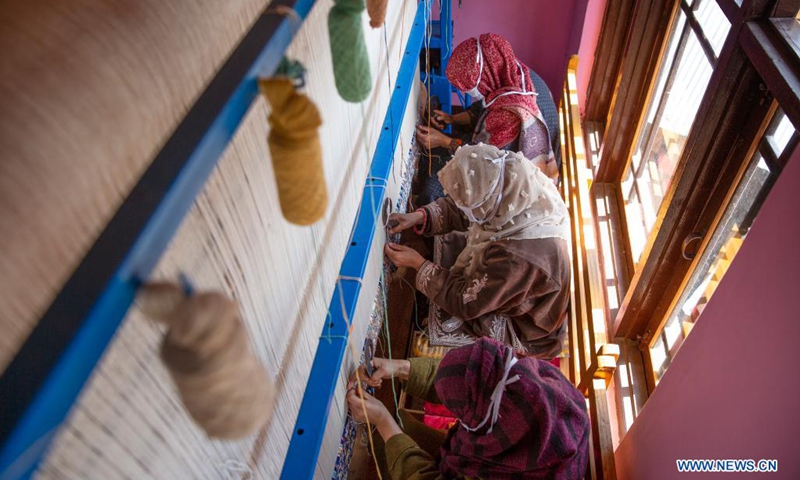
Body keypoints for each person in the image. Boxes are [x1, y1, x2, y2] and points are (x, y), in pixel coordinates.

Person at [385, 143, 570, 359]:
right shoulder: (512, 178)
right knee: (454, 240)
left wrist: (418, 264)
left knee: (459, 308)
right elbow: (471, 200)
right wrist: (419, 216)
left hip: (529, 326)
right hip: (522, 278)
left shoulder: (516, 258)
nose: (467, 209)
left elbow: (468, 303)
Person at [346, 337, 590, 479]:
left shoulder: (501, 469)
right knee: (398, 424)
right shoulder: (525, 388)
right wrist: (400, 368)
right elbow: (469, 382)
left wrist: (383, 422)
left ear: (487, 434)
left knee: (388, 429)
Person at [416, 33, 560, 182]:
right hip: (510, 150)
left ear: (484, 77)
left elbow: (483, 159)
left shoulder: (511, 116)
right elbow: (483, 107)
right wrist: (452, 119)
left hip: (521, 179)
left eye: (468, 86)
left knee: (435, 183)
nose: (465, 91)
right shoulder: (513, 74)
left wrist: (443, 141)